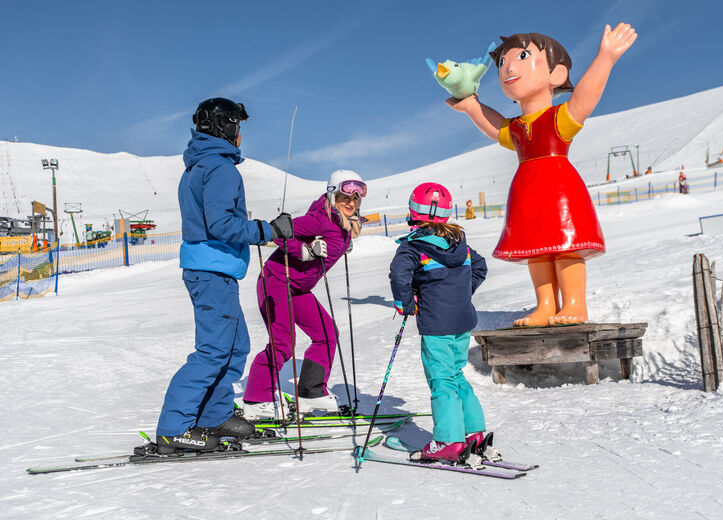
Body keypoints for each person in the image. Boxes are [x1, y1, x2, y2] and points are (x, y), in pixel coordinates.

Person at [443, 25, 636, 326]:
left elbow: (585, 97)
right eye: (503, 62)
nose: (509, 67)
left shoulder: (559, 118)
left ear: (556, 74)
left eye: (522, 56)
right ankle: (546, 304)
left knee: (566, 247)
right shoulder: (517, 128)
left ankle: (574, 304)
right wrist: (472, 107)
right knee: (537, 250)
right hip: (527, 191)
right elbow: (496, 128)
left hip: (560, 190)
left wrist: (606, 58)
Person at [155, 98, 294, 454]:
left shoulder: (202, 165)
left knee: (235, 348)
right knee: (214, 350)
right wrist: (269, 230)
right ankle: (175, 427)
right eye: (236, 125)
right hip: (211, 269)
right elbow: (222, 224)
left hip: (214, 269)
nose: (240, 133)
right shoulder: (219, 167)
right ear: (223, 127)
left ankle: (214, 415)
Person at [242, 170, 367, 419]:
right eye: (345, 197)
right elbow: (278, 231)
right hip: (276, 281)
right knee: (282, 345)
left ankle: (311, 392)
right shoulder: (319, 219)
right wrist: (304, 250)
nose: (351, 203)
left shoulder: (343, 222)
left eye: (355, 199)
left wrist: (342, 243)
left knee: (326, 333)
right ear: (333, 196)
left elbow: (333, 238)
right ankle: (255, 400)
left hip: (299, 289)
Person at [389, 182, 491, 464]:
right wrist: (459, 294)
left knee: (442, 379)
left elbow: (399, 277)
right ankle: (474, 433)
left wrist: (406, 304)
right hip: (461, 320)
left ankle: (448, 440)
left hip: (438, 325)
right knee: (456, 375)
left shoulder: (412, 247)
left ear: (413, 211)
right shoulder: (459, 244)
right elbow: (480, 267)